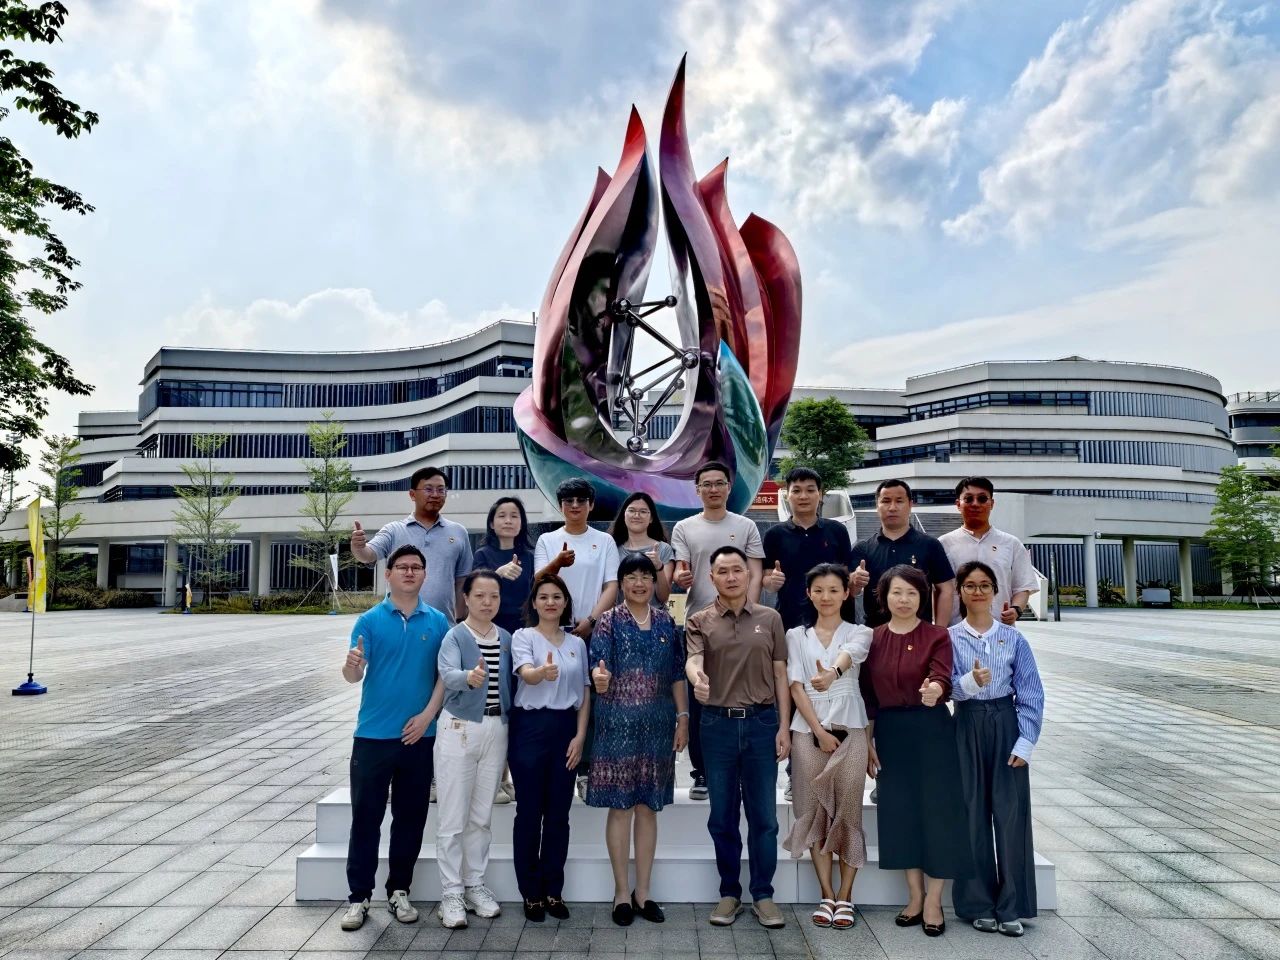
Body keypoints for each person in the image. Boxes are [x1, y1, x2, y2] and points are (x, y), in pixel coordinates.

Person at [339, 545, 447, 932]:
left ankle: (399, 890)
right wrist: (351, 667)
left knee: (410, 819)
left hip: (420, 736)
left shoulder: (438, 622)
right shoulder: (369, 621)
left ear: (424, 575)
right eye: (402, 567)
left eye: (416, 567)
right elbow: (353, 675)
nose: (409, 572)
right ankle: (359, 897)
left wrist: (427, 716)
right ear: (388, 574)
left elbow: (444, 677)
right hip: (373, 736)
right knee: (365, 818)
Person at [861, 564, 972, 938]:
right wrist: (868, 741)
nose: (904, 599)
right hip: (890, 732)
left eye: (912, 593)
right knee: (901, 812)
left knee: (939, 812)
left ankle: (934, 900)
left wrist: (935, 690)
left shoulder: (937, 636)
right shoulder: (873, 638)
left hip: (932, 729)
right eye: (897, 592)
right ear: (884, 596)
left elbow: (942, 675)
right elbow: (868, 696)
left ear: (923, 597)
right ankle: (914, 895)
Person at [685, 545, 790, 929]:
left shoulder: (770, 618)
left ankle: (763, 895)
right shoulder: (699, 620)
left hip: (762, 723)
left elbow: (780, 674)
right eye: (723, 571)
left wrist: (783, 726)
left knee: (765, 818)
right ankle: (729, 892)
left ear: (749, 575)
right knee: (722, 817)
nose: (731, 577)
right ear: (711, 577)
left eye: (737, 570)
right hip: (717, 725)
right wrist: (697, 679)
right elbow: (694, 660)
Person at [587, 554, 690, 926]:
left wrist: (682, 718)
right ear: (621, 583)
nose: (639, 583)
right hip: (617, 725)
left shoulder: (666, 621)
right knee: (621, 807)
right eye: (631, 577)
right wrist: (599, 679)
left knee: (648, 807)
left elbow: (677, 673)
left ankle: (643, 892)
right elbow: (597, 665)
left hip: (658, 726)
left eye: (646, 576)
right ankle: (620, 893)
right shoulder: (608, 621)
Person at [949, 560, 1044, 938]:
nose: (977, 592)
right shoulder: (949, 638)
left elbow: (1031, 693)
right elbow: (946, 687)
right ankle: (977, 903)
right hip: (967, 723)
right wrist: (970, 681)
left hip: (1006, 723)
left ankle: (1011, 905)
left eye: (984, 585)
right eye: (970, 585)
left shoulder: (1014, 639)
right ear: (960, 592)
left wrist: (1025, 741)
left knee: (1010, 816)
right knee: (970, 812)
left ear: (995, 591)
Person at [782, 564, 872, 930]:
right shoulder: (795, 635)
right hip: (808, 731)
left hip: (851, 728)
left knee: (849, 810)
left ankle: (846, 896)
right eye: (818, 590)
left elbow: (850, 654)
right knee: (812, 810)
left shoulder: (861, 631)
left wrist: (832, 673)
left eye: (834, 589)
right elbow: (796, 686)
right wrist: (818, 731)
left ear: (846, 593)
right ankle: (827, 893)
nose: (826, 596)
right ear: (808, 593)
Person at [671, 461, 765, 801]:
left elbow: (754, 573)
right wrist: (680, 578)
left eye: (719, 483)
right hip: (700, 623)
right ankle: (702, 772)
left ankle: (737, 770)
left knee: (740, 696)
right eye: (706, 484)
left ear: (729, 487)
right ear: (697, 490)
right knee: (702, 696)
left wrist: (748, 614)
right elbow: (680, 571)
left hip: (742, 623)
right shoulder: (684, 527)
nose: (713, 489)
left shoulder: (746, 526)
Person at [433, 570, 515, 929]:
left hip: (497, 728)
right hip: (460, 728)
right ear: (465, 598)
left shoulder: (506, 638)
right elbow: (447, 673)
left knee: (481, 816)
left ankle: (475, 885)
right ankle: (451, 893)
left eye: (493, 596)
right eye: (479, 595)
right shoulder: (455, 635)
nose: (487, 602)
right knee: (453, 817)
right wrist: (468, 677)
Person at [508, 573, 591, 922]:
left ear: (565, 602)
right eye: (543, 596)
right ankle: (531, 892)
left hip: (565, 730)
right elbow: (526, 673)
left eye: (557, 596)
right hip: (529, 729)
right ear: (534, 603)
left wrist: (580, 736)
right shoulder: (523, 636)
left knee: (559, 815)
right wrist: (541, 672)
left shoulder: (577, 644)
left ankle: (553, 890)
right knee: (529, 813)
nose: (551, 602)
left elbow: (584, 692)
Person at [534, 478, 620, 798]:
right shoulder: (548, 540)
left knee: (591, 700)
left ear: (591, 505)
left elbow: (611, 585)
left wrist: (592, 620)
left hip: (593, 630)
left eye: (581, 500)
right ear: (560, 505)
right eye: (568, 501)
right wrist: (558, 563)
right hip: (553, 630)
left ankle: (586, 770)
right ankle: (554, 768)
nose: (574, 506)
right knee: (554, 697)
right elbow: (538, 581)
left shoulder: (604, 541)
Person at [350, 466, 473, 623]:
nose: (435, 495)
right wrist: (359, 547)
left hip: (443, 626)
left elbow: (462, 579)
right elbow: (368, 555)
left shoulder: (459, 532)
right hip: (399, 625)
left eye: (441, 490)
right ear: (412, 494)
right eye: (428, 489)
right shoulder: (394, 530)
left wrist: (460, 619)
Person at [850, 479, 954, 629]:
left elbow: (945, 589)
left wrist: (939, 631)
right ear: (877, 506)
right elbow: (850, 591)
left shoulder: (930, 545)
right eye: (886, 501)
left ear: (910, 505)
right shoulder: (863, 548)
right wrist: (854, 581)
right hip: (875, 634)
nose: (892, 507)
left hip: (919, 632)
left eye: (899, 501)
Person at [762, 467, 855, 630]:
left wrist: (857, 579)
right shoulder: (774, 535)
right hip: (790, 620)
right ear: (787, 495)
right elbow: (767, 580)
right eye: (796, 490)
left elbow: (847, 576)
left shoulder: (837, 530)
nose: (803, 496)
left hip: (834, 620)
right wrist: (773, 581)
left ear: (820, 494)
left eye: (810, 490)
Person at [938, 478, 1039, 627]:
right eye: (969, 499)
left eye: (982, 499)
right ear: (958, 504)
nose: (975, 504)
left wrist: (1016, 609)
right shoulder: (943, 544)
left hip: (1000, 630)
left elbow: (1023, 586)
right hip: (954, 631)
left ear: (991, 503)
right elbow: (937, 590)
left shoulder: (1011, 544)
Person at [472, 496, 535, 635]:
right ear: (491, 524)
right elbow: (475, 589)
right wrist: (498, 574)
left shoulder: (529, 557)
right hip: (490, 625)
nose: (508, 521)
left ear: (521, 523)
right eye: (502, 516)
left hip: (524, 628)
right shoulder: (482, 554)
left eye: (514, 516)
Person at [610, 491, 675, 604]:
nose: (636, 516)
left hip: (654, 614)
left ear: (651, 518)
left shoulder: (664, 549)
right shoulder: (612, 547)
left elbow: (663, 597)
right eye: (631, 511)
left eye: (643, 511)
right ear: (624, 515)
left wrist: (658, 567)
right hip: (621, 614)